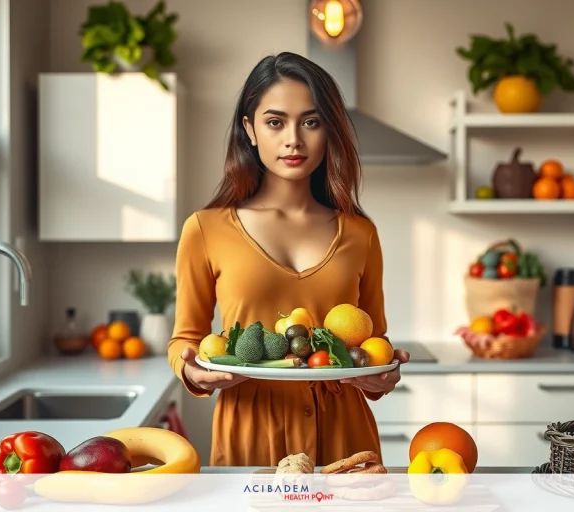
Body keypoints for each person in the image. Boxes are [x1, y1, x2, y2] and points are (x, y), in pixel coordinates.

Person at [167, 51, 410, 468]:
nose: (293, 138)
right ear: (250, 129)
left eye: (311, 122)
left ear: (329, 131)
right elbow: (185, 340)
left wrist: (382, 376)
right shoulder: (205, 229)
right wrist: (192, 372)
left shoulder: (360, 234)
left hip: (345, 435)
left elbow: (371, 344)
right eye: (275, 122)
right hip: (250, 430)